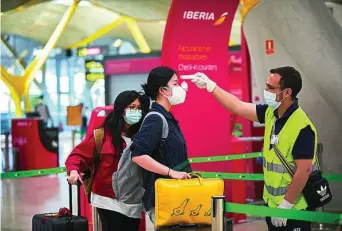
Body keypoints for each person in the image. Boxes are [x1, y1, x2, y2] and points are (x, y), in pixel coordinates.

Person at [183, 66, 318, 231]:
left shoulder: (302, 126)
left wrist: (286, 205)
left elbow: (303, 171)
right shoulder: (271, 113)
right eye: (266, 85)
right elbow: (238, 107)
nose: (265, 90)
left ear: (287, 92)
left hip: (294, 208)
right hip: (273, 205)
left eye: (270, 87)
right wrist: (211, 86)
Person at [66, 90, 150, 231]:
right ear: (121, 110)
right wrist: (74, 172)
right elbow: (77, 155)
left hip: (133, 198)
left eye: (139, 108)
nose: (136, 111)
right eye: (132, 107)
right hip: (107, 198)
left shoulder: (142, 136)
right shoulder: (102, 135)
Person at [130, 66, 192, 223]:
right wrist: (171, 172)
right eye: (176, 84)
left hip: (176, 195)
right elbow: (137, 155)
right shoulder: (156, 119)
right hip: (164, 197)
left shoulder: (166, 117)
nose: (180, 88)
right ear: (163, 90)